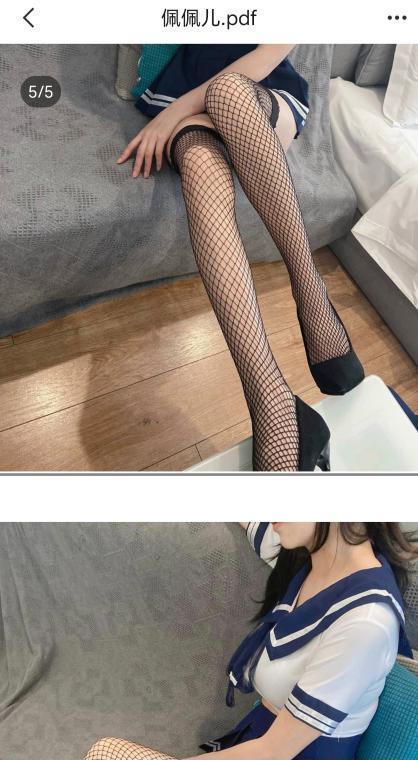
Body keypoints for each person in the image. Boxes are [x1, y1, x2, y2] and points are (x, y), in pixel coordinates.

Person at [117, 45, 365, 471]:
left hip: (258, 95)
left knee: (229, 92)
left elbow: (266, 56)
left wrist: (171, 115)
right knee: (198, 161)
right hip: (182, 90)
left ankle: (310, 292)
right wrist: (172, 111)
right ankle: (271, 401)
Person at [85, 522, 417, 760]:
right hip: (260, 739)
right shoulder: (312, 555)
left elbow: (275, 752)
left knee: (106, 753)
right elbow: (259, 526)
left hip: (288, 752)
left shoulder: (365, 623)